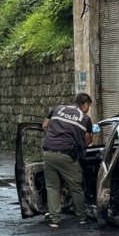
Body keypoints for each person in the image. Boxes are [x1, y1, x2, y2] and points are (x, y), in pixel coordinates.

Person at [42, 93, 94, 228]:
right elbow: (87, 140)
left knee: (52, 187)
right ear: (85, 105)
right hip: (67, 155)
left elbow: (45, 125)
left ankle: (54, 220)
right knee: (76, 187)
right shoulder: (85, 118)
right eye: (89, 106)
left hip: (49, 152)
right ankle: (82, 217)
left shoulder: (58, 109)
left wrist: (53, 139)